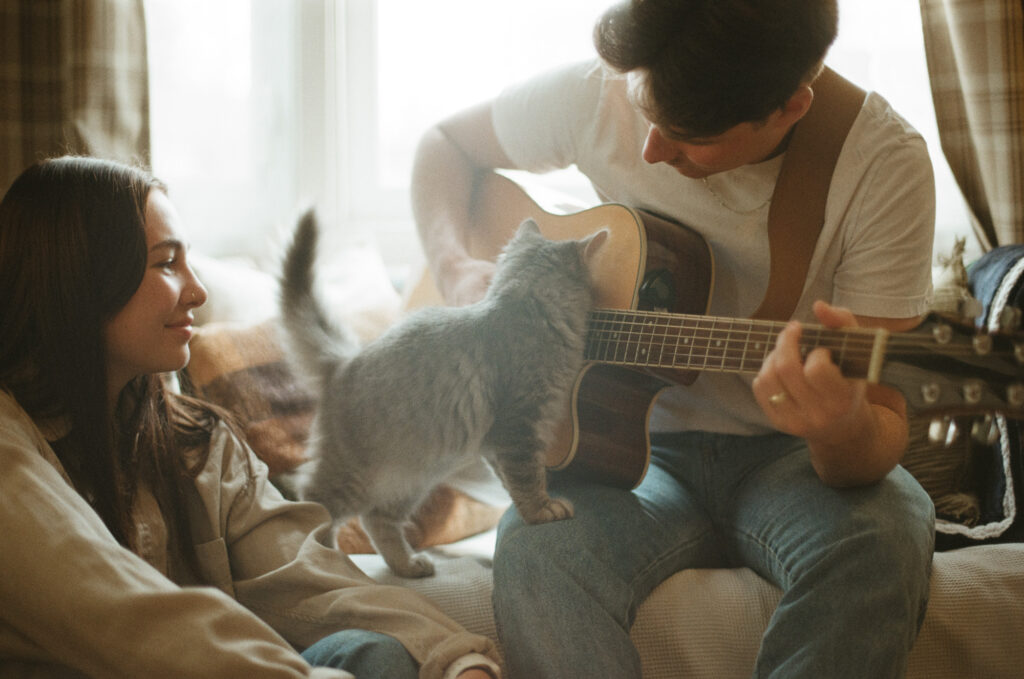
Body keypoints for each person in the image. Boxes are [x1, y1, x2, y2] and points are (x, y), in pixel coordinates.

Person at [410, 1, 936, 677]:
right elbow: (443, 146)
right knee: (536, 550)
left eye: (687, 135)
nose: (653, 148)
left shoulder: (881, 166)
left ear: (789, 108)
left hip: (793, 459)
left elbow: (883, 426)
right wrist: (456, 269)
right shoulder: (601, 92)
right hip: (624, 451)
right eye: (647, 112)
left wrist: (838, 428)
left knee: (888, 531)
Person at [0, 155, 501, 679]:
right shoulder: (10, 446)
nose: (197, 291)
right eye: (166, 263)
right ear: (82, 278)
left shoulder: (198, 441)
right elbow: (118, 614)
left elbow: (308, 579)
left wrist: (457, 658)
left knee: (381, 653)